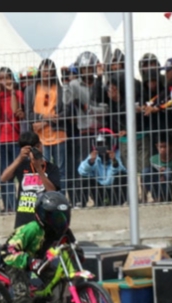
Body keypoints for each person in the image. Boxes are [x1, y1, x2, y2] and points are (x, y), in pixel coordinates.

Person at [0, 191, 72, 303]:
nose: (59, 221)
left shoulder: (62, 230)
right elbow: (9, 250)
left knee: (56, 277)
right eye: (55, 217)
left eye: (63, 216)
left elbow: (71, 245)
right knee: (23, 292)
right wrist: (28, 261)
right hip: (16, 261)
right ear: (42, 215)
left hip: (38, 261)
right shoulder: (32, 229)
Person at [64, 51, 108, 208]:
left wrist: (88, 109)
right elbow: (67, 101)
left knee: (101, 165)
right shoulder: (74, 84)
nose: (87, 71)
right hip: (84, 132)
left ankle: (100, 199)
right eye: (84, 69)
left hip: (100, 132)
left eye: (90, 68)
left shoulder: (101, 84)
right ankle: (81, 200)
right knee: (84, 166)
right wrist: (66, 81)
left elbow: (106, 108)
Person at [0, 132, 61, 229]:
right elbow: (4, 178)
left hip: (44, 217)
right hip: (23, 219)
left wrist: (39, 169)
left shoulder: (51, 168)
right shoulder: (22, 165)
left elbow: (52, 191)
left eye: (36, 147)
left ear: (40, 145)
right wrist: (20, 158)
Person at [24, 59, 68, 183]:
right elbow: (28, 114)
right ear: (40, 71)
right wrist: (44, 117)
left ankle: (60, 195)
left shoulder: (60, 89)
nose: (47, 74)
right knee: (42, 171)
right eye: (45, 71)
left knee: (60, 171)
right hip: (39, 138)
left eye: (50, 71)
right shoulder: (31, 90)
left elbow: (66, 111)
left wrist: (45, 122)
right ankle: (46, 195)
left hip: (58, 135)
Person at [0, 67, 25, 213]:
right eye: (0, 78)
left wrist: (12, 92)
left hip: (16, 139)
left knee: (21, 174)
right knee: (6, 174)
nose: (3, 81)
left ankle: (23, 206)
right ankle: (10, 206)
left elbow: (15, 111)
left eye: (6, 78)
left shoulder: (18, 93)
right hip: (3, 140)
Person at [78, 130, 127, 206]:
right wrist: (91, 161)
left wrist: (114, 160)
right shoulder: (93, 156)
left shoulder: (117, 154)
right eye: (99, 144)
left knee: (122, 175)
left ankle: (117, 202)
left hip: (113, 187)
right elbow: (81, 171)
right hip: (99, 189)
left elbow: (123, 170)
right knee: (83, 177)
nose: (102, 147)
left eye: (105, 144)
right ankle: (84, 203)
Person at [141, 132, 172, 203]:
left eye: (165, 147)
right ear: (156, 146)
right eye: (160, 147)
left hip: (171, 185)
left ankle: (168, 197)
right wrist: (160, 174)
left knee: (168, 172)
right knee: (145, 171)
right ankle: (156, 197)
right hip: (157, 183)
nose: (162, 149)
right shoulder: (153, 159)